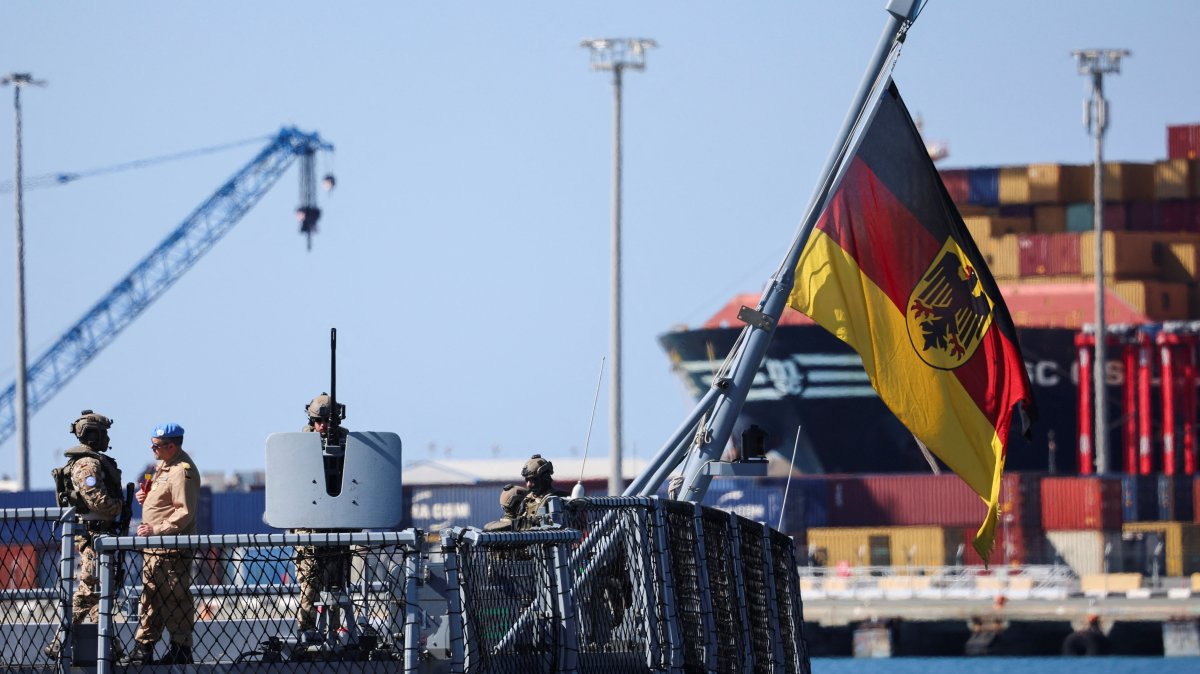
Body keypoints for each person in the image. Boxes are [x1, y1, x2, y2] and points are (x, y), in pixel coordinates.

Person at [46, 410, 126, 659]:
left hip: (101, 536)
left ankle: (109, 647)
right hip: (94, 536)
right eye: (103, 434)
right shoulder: (87, 464)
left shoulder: (94, 461)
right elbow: (95, 499)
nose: (106, 439)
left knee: (101, 592)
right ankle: (61, 641)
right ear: (92, 434)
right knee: (89, 591)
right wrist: (119, 508)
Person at [125, 423, 200, 666]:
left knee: (174, 599)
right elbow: (164, 500)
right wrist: (146, 499)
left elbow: (183, 512)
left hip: (171, 549)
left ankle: (180, 650)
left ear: (171, 446)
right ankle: (143, 649)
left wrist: (156, 529)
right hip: (155, 549)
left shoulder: (181, 470)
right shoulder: (164, 466)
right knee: (151, 600)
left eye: (156, 445)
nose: (152, 448)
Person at [293, 394, 352, 640]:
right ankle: (306, 632)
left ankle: (336, 631)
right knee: (309, 585)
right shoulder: (300, 444)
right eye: (318, 421)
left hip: (337, 527)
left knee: (337, 586)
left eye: (328, 422)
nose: (322, 427)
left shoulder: (347, 443)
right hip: (309, 529)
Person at [517, 454, 568, 530]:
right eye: (527, 480)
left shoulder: (558, 499)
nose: (528, 485)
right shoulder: (527, 500)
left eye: (533, 479)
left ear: (545, 478)